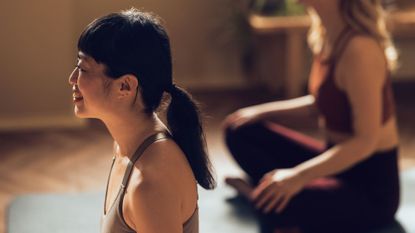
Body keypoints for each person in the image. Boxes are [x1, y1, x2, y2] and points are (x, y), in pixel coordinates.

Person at [223, 0, 399, 232]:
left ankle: (253, 193)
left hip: (370, 189)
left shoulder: (360, 49)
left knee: (284, 201)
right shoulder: (326, 33)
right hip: (335, 159)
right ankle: (268, 195)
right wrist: (260, 112)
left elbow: (365, 142)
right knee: (238, 129)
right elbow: (321, 103)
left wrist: (296, 177)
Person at [68, 8, 215, 233]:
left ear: (125, 86)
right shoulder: (126, 144)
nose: (73, 79)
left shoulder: (150, 186)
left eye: (83, 68)